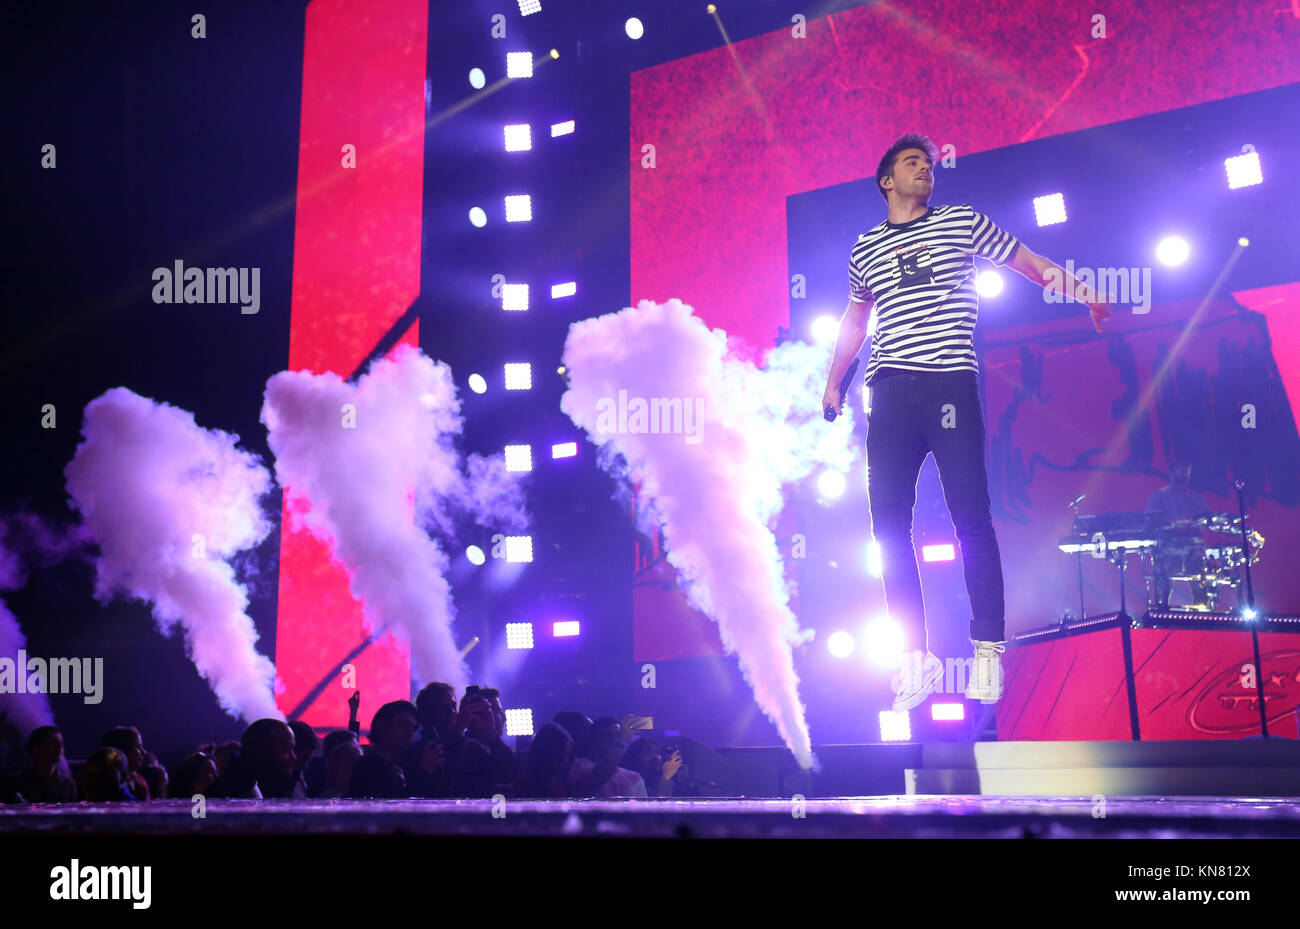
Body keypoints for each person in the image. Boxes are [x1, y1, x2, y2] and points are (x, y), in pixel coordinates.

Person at [822, 133, 1113, 708]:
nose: (924, 171)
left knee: (970, 519)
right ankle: (913, 656)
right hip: (889, 390)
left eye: (928, 165)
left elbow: (1028, 262)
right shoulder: (866, 247)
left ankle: (986, 651)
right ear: (886, 180)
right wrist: (833, 380)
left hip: (949, 381)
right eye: (911, 164)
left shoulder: (961, 222)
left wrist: (1083, 292)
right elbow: (855, 320)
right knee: (887, 530)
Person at [404, 683, 492, 798]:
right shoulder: (416, 752)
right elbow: (445, 786)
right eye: (442, 709)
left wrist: (492, 733)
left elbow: (506, 772)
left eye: (453, 707)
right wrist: (459, 729)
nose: (452, 713)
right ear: (426, 715)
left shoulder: (471, 746)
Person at [1146, 459, 1212, 608]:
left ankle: (1201, 616)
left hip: (1192, 548)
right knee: (1164, 585)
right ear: (1172, 473)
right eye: (1182, 472)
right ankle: (1162, 614)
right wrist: (1173, 524)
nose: (1185, 476)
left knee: (1199, 583)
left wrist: (1202, 545)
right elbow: (1151, 520)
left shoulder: (1195, 497)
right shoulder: (1158, 496)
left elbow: (1204, 519)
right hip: (1167, 546)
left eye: (1187, 473)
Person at [349, 700, 428, 799]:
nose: (410, 733)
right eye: (403, 725)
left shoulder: (402, 767)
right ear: (381, 725)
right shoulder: (367, 768)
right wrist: (424, 772)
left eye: (413, 728)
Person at [207, 719, 298, 799]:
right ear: (259, 750)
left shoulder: (251, 784)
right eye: (285, 749)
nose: (293, 758)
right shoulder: (235, 792)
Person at [568, 717, 646, 798]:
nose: (614, 740)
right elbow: (596, 779)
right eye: (608, 736)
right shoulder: (581, 767)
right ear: (594, 740)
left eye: (618, 736)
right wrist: (621, 742)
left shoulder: (634, 778)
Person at [2, 726, 78, 803]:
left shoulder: (67, 784)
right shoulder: (17, 783)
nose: (60, 746)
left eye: (61, 742)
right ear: (37, 748)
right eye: (53, 742)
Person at [512, 723, 573, 798]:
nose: (566, 760)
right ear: (554, 755)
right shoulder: (532, 786)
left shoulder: (557, 782)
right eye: (565, 754)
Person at [99, 726, 151, 800]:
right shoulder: (97, 782)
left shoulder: (140, 783)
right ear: (122, 750)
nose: (144, 752)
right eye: (138, 747)